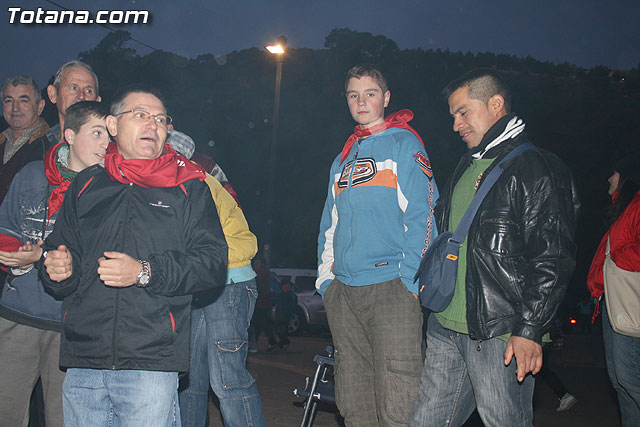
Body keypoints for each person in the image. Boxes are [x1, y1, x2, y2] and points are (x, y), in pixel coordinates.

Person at [40, 85, 228, 427]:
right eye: (140, 115)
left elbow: (212, 264)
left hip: (151, 361)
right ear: (112, 125)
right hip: (85, 360)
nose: (153, 124)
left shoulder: (188, 187)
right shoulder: (85, 186)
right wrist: (56, 267)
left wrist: (144, 271)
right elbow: (61, 255)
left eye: (160, 118)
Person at [410, 69, 579, 426]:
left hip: (499, 333)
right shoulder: (466, 165)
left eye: (463, 112)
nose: (456, 125)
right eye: (453, 115)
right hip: (445, 325)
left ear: (496, 104)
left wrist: (530, 330)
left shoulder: (539, 168)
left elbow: (554, 258)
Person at [316, 64, 438, 427]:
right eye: (353, 94)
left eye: (370, 93)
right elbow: (329, 223)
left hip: (391, 289)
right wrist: (326, 282)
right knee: (353, 402)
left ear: (385, 98)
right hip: (345, 292)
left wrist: (409, 281)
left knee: (399, 400)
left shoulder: (404, 143)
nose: (361, 101)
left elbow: (425, 213)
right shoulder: (343, 158)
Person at [0, 101, 110, 427]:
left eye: (110, 134)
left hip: (70, 325)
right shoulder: (31, 175)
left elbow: (97, 257)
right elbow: (6, 227)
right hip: (17, 315)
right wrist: (18, 258)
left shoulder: (107, 189)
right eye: (97, 133)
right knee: (7, 410)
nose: (106, 143)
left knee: (64, 417)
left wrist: (44, 257)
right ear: (70, 135)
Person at [170, 132, 266, 427]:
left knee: (228, 380)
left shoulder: (198, 183)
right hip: (199, 287)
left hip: (230, 282)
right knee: (191, 383)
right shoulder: (175, 183)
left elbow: (241, 242)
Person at [587, 153, 640, 426]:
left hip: (629, 304)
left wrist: (616, 258)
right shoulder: (624, 209)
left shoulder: (638, 205)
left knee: (631, 379)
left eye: (615, 173)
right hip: (611, 302)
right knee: (621, 383)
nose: (609, 178)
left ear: (627, 177)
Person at [0, 75, 49, 205]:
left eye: (24, 101)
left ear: (40, 106)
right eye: (8, 101)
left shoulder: (50, 146)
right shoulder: (2, 142)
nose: (15, 108)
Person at [38, 60, 101, 149]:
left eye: (88, 91)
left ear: (97, 101)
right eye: (73, 88)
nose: (81, 96)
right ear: (53, 94)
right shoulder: (38, 149)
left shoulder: (107, 151)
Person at [274, 280, 297, 350]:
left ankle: (284, 343)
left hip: (285, 315)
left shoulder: (290, 295)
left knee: (282, 330)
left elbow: (293, 305)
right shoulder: (282, 294)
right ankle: (282, 344)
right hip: (280, 314)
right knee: (280, 330)